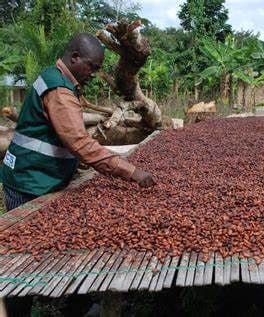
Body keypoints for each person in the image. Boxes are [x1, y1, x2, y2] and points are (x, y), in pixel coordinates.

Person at [1, 33, 155, 213]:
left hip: (34, 175)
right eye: (92, 67)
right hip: (30, 182)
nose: (94, 74)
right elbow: (79, 143)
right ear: (75, 58)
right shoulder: (60, 91)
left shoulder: (53, 75)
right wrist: (132, 172)